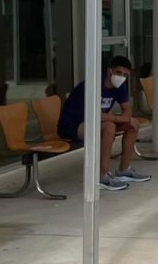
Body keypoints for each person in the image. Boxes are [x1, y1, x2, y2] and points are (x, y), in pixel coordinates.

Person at [58, 55, 152, 192]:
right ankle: (102, 176)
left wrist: (123, 118)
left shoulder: (119, 87)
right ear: (109, 72)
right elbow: (95, 115)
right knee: (109, 126)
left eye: (125, 75)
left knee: (133, 124)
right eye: (119, 73)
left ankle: (124, 170)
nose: (122, 77)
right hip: (72, 125)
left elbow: (127, 111)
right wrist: (116, 118)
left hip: (96, 123)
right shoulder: (92, 85)